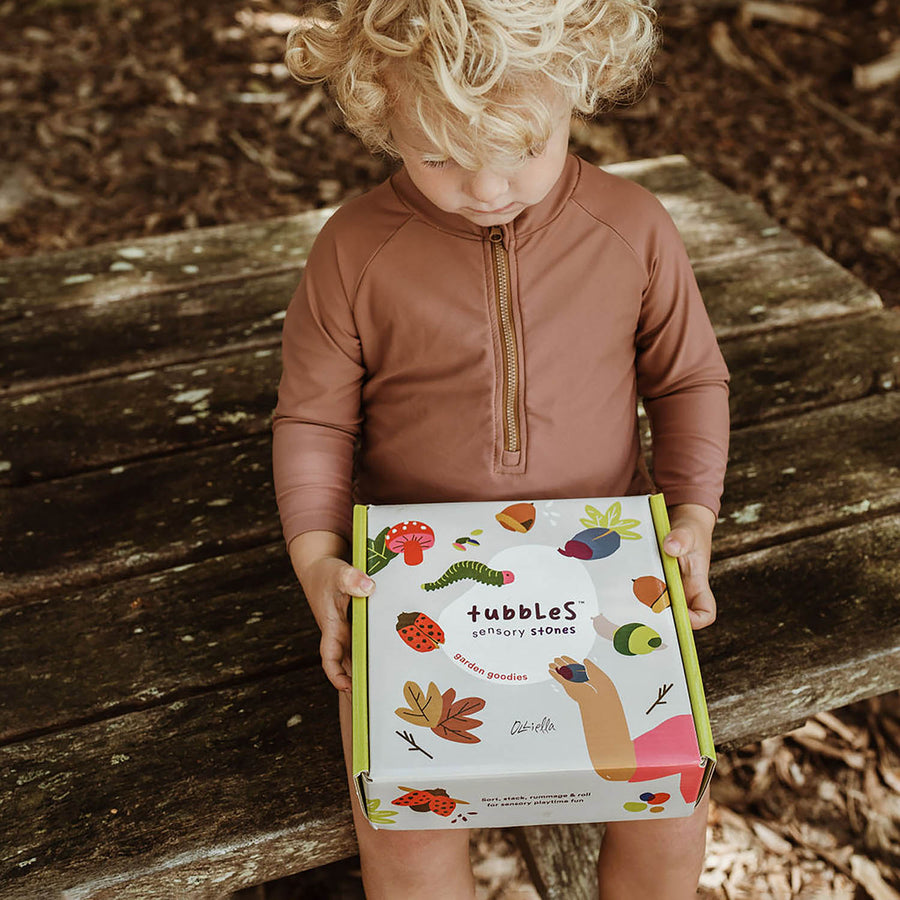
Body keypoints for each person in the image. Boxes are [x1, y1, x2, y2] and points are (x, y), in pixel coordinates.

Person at [272, 1, 729, 896]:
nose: (486, 188)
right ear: (379, 109)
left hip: (601, 572)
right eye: (439, 154)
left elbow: (688, 382)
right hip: (409, 579)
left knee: (672, 802)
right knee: (402, 821)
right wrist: (319, 563)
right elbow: (314, 422)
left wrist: (694, 518)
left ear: (576, 94)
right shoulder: (354, 250)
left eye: (524, 145)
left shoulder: (633, 228)